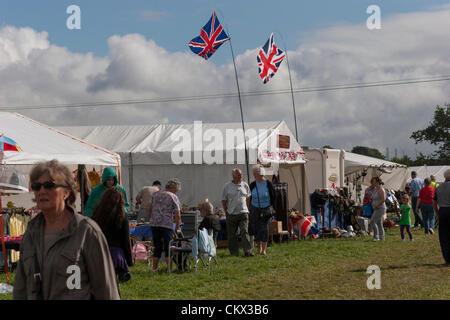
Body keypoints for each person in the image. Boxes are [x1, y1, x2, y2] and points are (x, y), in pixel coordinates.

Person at [13, 160, 120, 300]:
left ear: (66, 192)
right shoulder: (31, 233)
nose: (42, 191)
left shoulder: (87, 232)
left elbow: (106, 291)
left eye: (49, 185)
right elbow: (20, 289)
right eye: (37, 186)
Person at [92, 187, 134, 282]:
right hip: (116, 254)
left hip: (100, 252)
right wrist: (129, 260)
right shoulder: (122, 216)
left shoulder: (97, 214)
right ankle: (121, 272)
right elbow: (125, 240)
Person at [148, 179, 182, 272]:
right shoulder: (173, 196)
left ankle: (154, 268)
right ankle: (169, 268)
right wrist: (178, 226)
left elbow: (148, 207)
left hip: (154, 224)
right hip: (166, 224)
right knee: (168, 246)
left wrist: (151, 217)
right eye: (177, 190)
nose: (177, 192)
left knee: (157, 246)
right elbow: (177, 213)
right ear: (174, 188)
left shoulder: (155, 194)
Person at [221, 168, 253, 257]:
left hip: (243, 213)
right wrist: (227, 211)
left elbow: (248, 197)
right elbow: (223, 200)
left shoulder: (245, 185)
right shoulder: (227, 186)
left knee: (244, 231)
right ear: (233, 176)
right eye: (239, 175)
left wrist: (246, 208)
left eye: (241, 174)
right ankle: (234, 253)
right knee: (232, 235)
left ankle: (247, 251)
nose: (241, 176)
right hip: (231, 213)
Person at [248, 165, 275, 256]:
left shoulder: (268, 184)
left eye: (254, 173)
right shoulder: (252, 185)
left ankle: (264, 249)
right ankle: (259, 248)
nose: (253, 174)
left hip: (266, 210)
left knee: (264, 229)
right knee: (256, 229)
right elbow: (249, 197)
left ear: (258, 173)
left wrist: (272, 209)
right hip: (254, 209)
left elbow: (273, 197)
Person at [433, 169, 450, 265]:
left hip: (442, 211)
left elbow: (434, 202)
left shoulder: (438, 187)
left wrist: (437, 213)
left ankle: (447, 258)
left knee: (444, 236)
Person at [368, 177, 386, 241]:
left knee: (372, 221)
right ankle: (382, 237)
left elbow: (383, 199)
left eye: (373, 182)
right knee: (379, 223)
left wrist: (377, 206)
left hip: (380, 208)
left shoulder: (381, 189)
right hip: (376, 208)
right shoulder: (375, 189)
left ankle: (376, 236)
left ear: (377, 182)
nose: (372, 183)